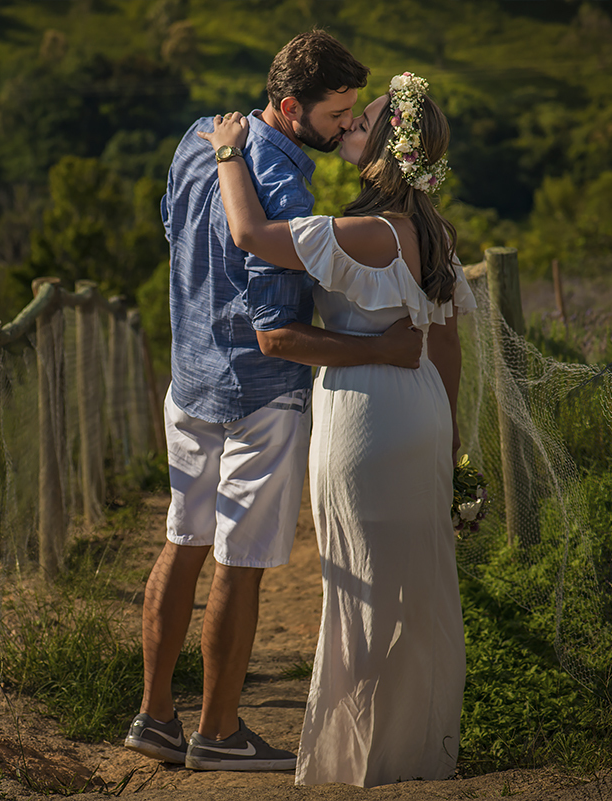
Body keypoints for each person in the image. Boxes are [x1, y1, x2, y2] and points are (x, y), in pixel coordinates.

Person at [123, 30, 425, 773]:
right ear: (291, 106)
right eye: (337, 114)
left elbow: (173, 230)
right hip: (256, 399)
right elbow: (276, 332)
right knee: (242, 560)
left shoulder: (200, 138)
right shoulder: (282, 183)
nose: (347, 127)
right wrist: (377, 351)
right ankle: (219, 732)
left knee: (182, 541)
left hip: (188, 377)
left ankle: (155, 716)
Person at [197, 71, 474, 786]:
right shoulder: (433, 232)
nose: (348, 127)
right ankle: (420, 750)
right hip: (421, 413)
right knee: (416, 586)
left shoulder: (363, 233)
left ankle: (361, 761)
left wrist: (228, 152)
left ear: (384, 147)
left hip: (364, 417)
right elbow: (445, 345)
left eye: (364, 122)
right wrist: (450, 446)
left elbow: (249, 233)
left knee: (363, 592)